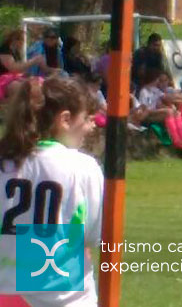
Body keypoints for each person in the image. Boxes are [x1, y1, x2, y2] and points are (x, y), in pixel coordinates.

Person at [0, 77, 104, 306]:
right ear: (65, 119)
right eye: (87, 118)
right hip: (63, 297)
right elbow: (94, 236)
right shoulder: (82, 167)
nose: (92, 126)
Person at [134, 69, 182, 150]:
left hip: (156, 112)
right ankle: (176, 141)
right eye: (158, 80)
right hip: (148, 114)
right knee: (169, 112)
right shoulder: (144, 91)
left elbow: (166, 97)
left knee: (176, 112)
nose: (159, 82)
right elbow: (144, 108)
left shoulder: (156, 90)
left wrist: (178, 98)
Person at [0, 30, 47, 101]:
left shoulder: (16, 52)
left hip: (12, 78)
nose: (23, 43)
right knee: (21, 87)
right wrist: (33, 61)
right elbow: (13, 68)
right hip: (3, 80)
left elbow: (19, 68)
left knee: (37, 82)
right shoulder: (4, 50)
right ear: (14, 40)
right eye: (22, 40)